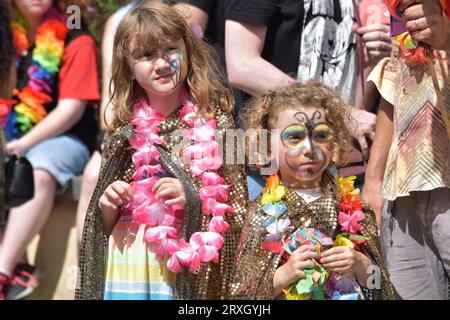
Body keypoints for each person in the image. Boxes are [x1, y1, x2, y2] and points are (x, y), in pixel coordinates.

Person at [76, 1, 248, 300]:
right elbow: (100, 225)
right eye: (146, 55)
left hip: (187, 279)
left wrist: (191, 196)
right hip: (127, 270)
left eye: (171, 49)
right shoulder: (122, 133)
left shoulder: (220, 124)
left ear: (189, 52)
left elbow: (240, 210)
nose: (162, 63)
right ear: (127, 68)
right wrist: (107, 205)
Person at [229, 82, 395, 300]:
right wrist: (283, 275)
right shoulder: (262, 214)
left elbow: (380, 284)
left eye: (320, 136)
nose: (309, 148)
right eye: (294, 137)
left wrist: (359, 263)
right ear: (268, 146)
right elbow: (241, 295)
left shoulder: (354, 209)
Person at [225, 0, 393, 198]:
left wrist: (373, 60)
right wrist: (340, 112)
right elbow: (242, 66)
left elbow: (357, 110)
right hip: (263, 169)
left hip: (334, 168)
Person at [0, 0, 99, 300]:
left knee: (37, 169)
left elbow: (71, 108)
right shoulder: (8, 38)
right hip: (13, 138)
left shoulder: (75, 36)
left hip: (66, 140)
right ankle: (18, 267)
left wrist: (24, 143)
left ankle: (2, 273)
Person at [363, 0, 450, 299]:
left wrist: (446, 40)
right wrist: (373, 180)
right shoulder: (401, 5)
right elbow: (396, 82)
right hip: (401, 194)